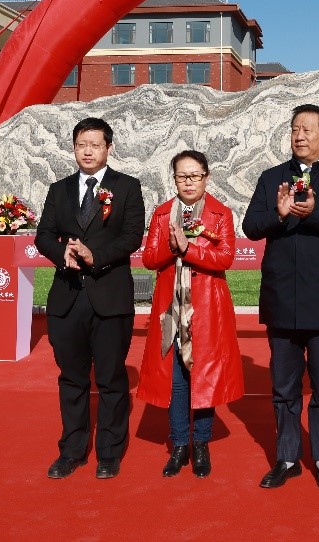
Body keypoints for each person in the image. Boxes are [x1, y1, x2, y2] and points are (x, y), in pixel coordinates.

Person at [243, 104, 319, 490]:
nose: (300, 135)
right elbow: (250, 227)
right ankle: (287, 457)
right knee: (284, 387)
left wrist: (315, 213)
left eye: (308, 129)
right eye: (295, 128)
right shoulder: (271, 178)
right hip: (282, 298)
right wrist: (279, 215)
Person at [35, 117, 146, 481]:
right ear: (74, 147)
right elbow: (43, 235)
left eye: (95, 145)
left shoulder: (127, 187)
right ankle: (72, 451)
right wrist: (62, 253)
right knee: (72, 378)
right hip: (67, 297)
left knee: (111, 378)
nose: (88, 151)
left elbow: (132, 236)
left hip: (110, 297)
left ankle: (109, 453)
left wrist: (94, 256)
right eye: (82, 144)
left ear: (108, 148)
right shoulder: (59, 189)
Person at [138, 150, 244, 479]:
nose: (188, 182)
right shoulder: (162, 214)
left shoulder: (220, 213)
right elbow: (149, 259)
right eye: (182, 176)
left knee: (204, 376)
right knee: (177, 379)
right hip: (171, 307)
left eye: (195, 176)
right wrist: (172, 247)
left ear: (206, 177)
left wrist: (190, 249)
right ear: (174, 179)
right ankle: (179, 443)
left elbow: (225, 258)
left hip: (207, 307)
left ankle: (201, 444)